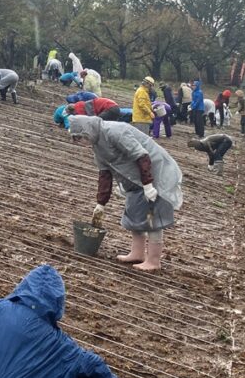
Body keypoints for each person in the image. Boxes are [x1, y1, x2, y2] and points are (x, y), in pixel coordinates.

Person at [68, 115, 183, 272]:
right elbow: (105, 175)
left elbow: (142, 156)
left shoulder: (114, 131)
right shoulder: (97, 147)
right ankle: (137, 253)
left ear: (87, 131)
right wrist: (100, 204)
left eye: (80, 138)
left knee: (152, 219)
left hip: (155, 173)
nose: (81, 142)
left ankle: (153, 261)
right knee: (133, 214)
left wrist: (148, 185)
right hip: (134, 181)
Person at [52, 97, 122, 129]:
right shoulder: (81, 104)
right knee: (111, 127)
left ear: (72, 111)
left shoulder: (79, 109)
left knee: (96, 122)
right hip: (115, 107)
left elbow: (86, 121)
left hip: (110, 108)